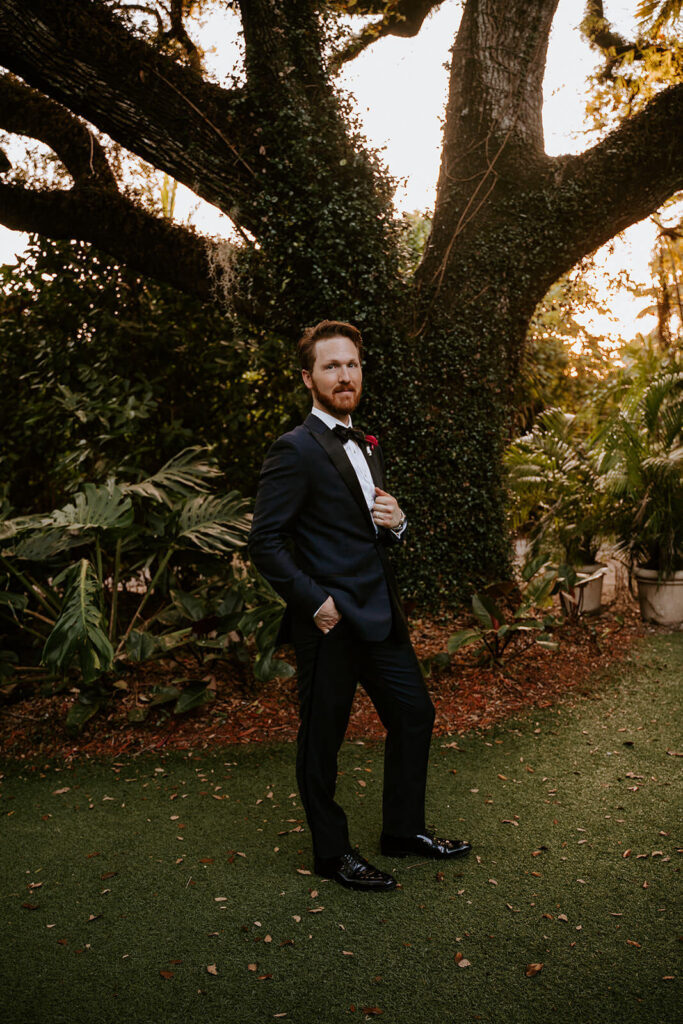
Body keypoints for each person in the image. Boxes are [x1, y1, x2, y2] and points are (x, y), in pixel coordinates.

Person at [248, 319, 471, 891]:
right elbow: (265, 543)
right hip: (329, 621)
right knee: (322, 740)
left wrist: (397, 525)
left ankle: (402, 831)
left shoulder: (366, 442)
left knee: (414, 715)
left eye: (351, 365)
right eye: (331, 366)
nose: (344, 375)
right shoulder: (293, 449)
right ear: (308, 378)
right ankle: (331, 853)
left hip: (379, 612)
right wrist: (316, 602)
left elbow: (364, 526)